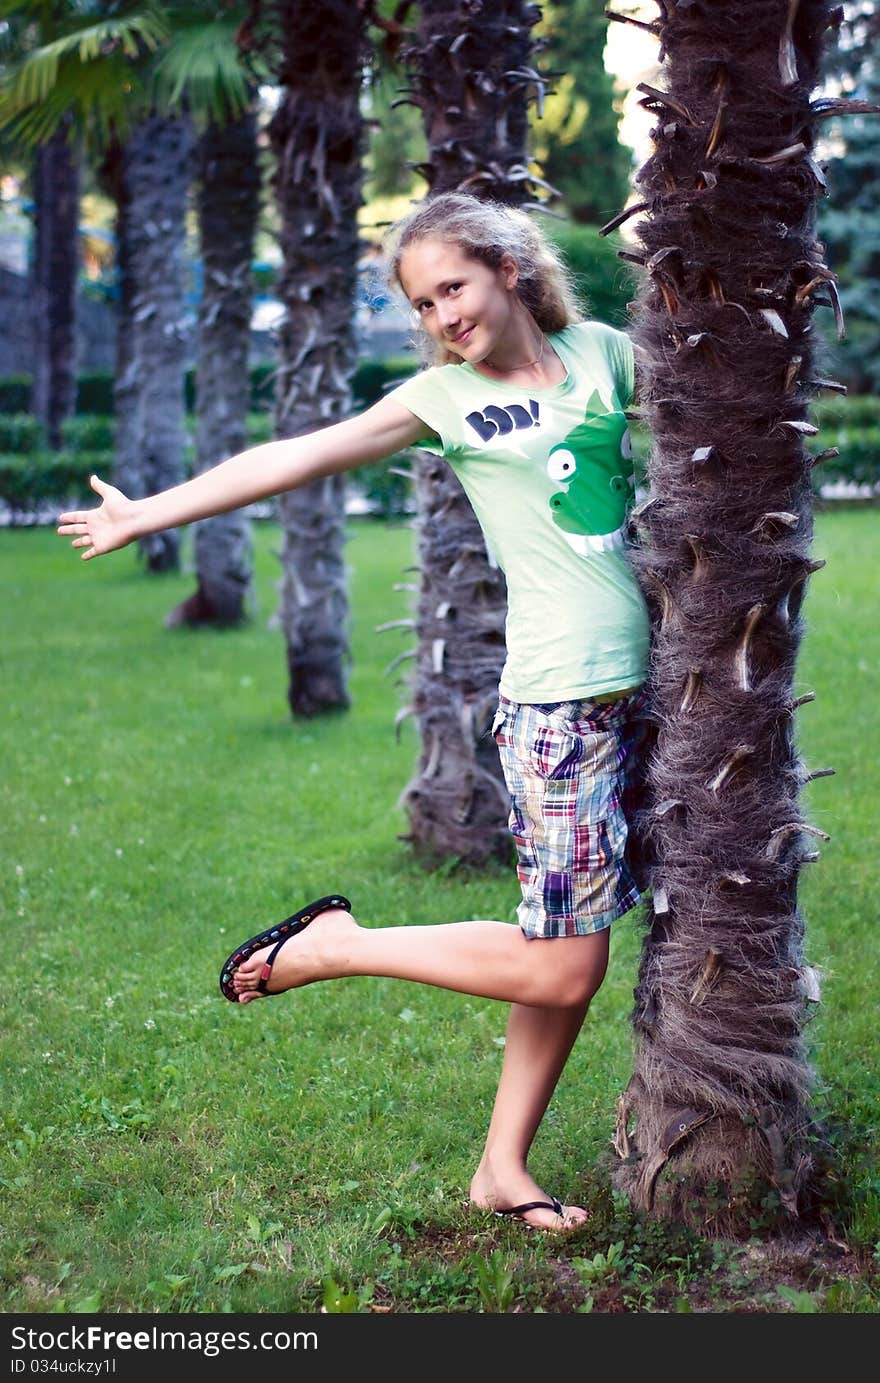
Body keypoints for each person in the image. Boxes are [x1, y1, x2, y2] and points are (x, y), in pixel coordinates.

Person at [57, 192, 650, 1232]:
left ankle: (500, 1169)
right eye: (424, 304)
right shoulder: (442, 397)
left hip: (650, 692)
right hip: (558, 699)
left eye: (453, 289)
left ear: (509, 268)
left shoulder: (603, 354)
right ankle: (337, 944)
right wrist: (148, 511)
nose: (442, 317)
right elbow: (298, 455)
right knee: (563, 960)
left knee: (559, 951)